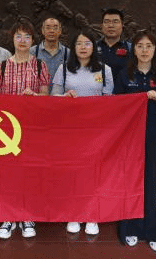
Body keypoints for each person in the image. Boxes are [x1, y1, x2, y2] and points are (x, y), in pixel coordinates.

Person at [114, 30, 156, 251]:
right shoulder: (125, 74)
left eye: (148, 46)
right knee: (131, 180)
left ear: (154, 49)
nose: (144, 50)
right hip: (130, 136)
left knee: (155, 180)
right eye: (140, 46)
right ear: (134, 49)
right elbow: (115, 105)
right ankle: (131, 229)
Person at [51, 30, 113, 236]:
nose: (83, 47)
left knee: (94, 173)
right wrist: (65, 97)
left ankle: (92, 214)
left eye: (87, 43)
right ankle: (74, 213)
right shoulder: (64, 69)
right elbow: (53, 97)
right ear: (73, 47)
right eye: (79, 43)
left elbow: (109, 102)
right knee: (73, 173)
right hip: (70, 131)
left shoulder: (104, 70)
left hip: (95, 130)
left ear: (94, 47)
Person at [0, 18, 50, 240]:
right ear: (12, 39)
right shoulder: (2, 66)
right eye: (18, 36)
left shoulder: (40, 65)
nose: (23, 40)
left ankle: (27, 215)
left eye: (27, 36)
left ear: (33, 40)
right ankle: (8, 215)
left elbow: (45, 97)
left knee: (29, 172)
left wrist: (34, 97)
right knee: (8, 173)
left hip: (32, 128)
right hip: (8, 130)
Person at [30, 16, 69, 91]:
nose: (52, 31)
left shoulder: (67, 53)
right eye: (48, 28)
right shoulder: (33, 52)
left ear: (60, 31)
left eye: (55, 28)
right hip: (38, 95)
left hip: (60, 95)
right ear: (42, 30)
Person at [96, 8, 131, 83]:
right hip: (98, 89)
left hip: (123, 90)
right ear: (101, 25)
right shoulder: (92, 48)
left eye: (115, 22)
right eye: (106, 22)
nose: (111, 25)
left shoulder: (131, 48)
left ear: (122, 25)